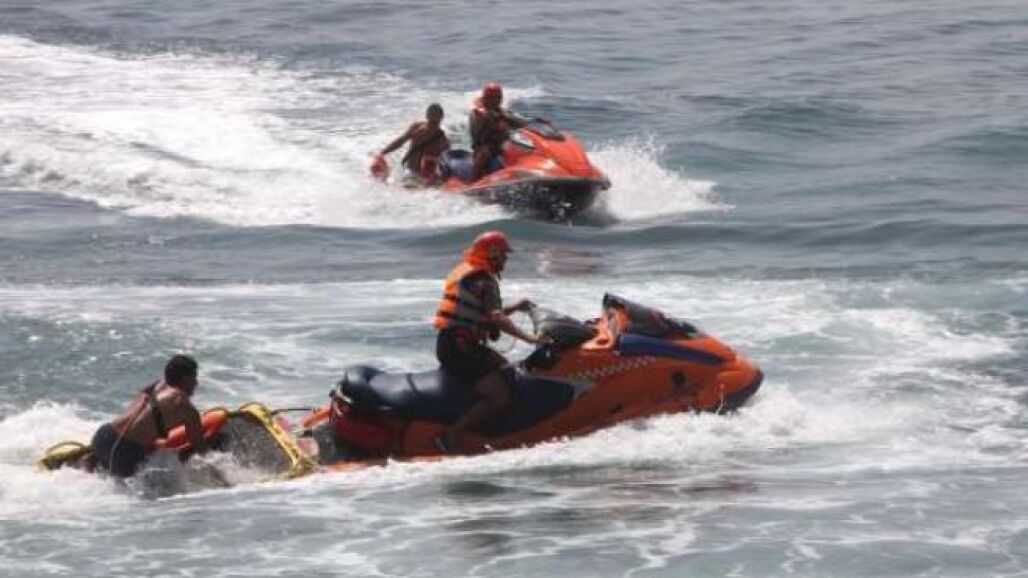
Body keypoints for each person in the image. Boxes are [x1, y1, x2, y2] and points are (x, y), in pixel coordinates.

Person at [433, 230, 538, 453]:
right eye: (504, 254)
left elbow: (479, 312)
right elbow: (495, 317)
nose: (506, 259)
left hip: (450, 344)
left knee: (505, 369)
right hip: (461, 350)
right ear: (492, 253)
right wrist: (530, 338)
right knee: (500, 397)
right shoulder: (485, 280)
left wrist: (516, 307)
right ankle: (451, 435)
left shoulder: (468, 272)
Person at [88, 354, 208, 478]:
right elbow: (200, 447)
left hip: (103, 436)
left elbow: (143, 398)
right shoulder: (186, 408)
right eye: (194, 377)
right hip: (126, 451)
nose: (196, 383)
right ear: (185, 378)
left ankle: (91, 460)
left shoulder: (158, 385)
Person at [373, 103, 450, 185]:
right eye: (432, 117)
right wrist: (383, 152)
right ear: (427, 116)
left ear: (441, 118)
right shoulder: (416, 128)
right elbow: (401, 141)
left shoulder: (442, 140)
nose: (434, 121)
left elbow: (445, 161)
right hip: (412, 172)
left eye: (436, 118)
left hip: (429, 176)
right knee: (409, 185)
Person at [468, 82, 527, 180]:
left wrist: (530, 123)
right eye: (491, 98)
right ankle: (473, 179)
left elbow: (516, 121)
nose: (495, 100)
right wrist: (495, 118)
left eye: (497, 97)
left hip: (501, 148)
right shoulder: (477, 112)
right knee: (484, 153)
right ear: (486, 98)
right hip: (483, 148)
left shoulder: (501, 112)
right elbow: (484, 118)